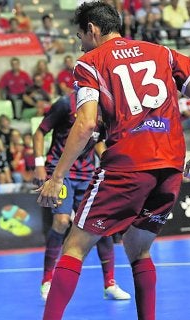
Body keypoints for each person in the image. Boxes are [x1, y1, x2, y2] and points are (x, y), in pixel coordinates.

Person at [4, 2, 190, 320]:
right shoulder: (163, 52)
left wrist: (56, 177)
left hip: (127, 165)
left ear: (92, 29)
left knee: (75, 244)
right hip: (169, 168)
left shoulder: (90, 62)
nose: (80, 41)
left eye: (80, 34)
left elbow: (84, 125)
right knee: (139, 249)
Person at [33, 91, 132, 301]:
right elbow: (40, 132)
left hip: (87, 174)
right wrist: (39, 165)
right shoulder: (64, 103)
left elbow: (98, 140)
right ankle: (47, 281)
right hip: (60, 171)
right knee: (61, 221)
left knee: (101, 226)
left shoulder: (106, 107)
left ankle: (110, 284)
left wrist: (109, 160)